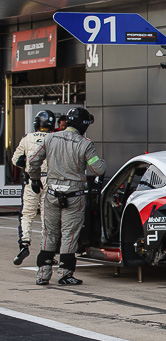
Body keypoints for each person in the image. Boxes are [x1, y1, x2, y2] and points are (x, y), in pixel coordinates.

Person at [27, 107, 106, 285]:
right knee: (69, 234)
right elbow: (98, 169)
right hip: (74, 196)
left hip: (52, 193)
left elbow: (33, 162)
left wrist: (34, 179)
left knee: (49, 233)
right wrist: (102, 162)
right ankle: (65, 274)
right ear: (83, 125)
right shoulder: (85, 144)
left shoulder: (50, 138)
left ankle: (42, 274)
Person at [11, 110, 56, 265]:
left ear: (37, 123)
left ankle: (24, 243)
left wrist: (28, 166)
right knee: (47, 217)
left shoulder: (27, 138)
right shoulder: (54, 138)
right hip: (50, 181)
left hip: (32, 180)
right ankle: (47, 250)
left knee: (27, 214)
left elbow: (16, 160)